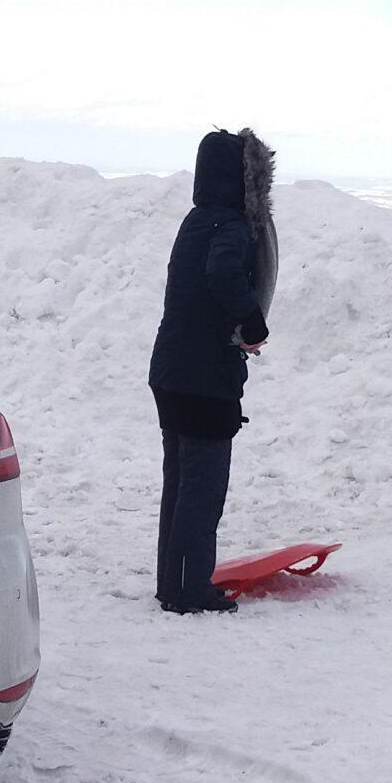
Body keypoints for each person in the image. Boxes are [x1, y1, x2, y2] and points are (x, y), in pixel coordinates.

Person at [147, 127, 276, 614]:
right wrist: (252, 319)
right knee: (202, 489)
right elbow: (222, 274)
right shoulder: (232, 226)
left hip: (171, 370)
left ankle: (174, 582)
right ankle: (188, 590)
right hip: (204, 378)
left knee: (180, 484)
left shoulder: (196, 220)